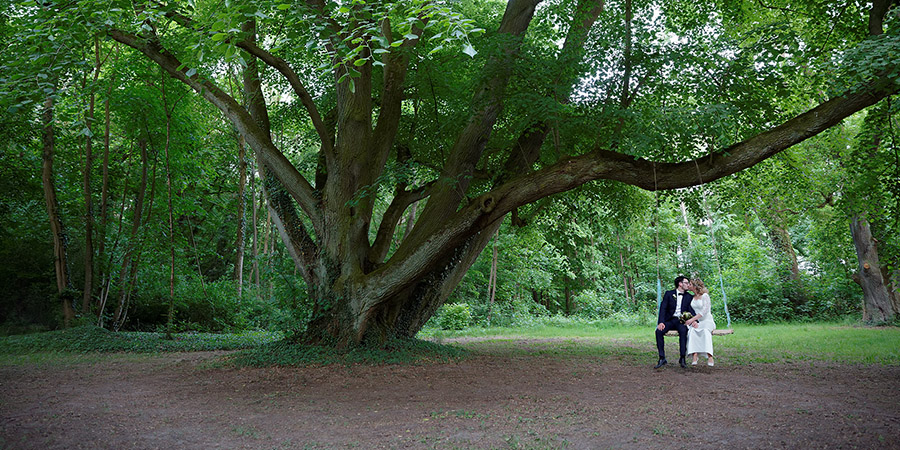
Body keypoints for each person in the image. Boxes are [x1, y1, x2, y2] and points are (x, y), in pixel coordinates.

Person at [655, 276, 697, 369]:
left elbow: (691, 310)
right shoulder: (669, 294)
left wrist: (694, 320)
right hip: (669, 320)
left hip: (681, 321)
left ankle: (682, 358)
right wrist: (661, 322)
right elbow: (663, 309)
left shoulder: (689, 297)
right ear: (680, 284)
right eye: (686, 283)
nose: (688, 285)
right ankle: (662, 358)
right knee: (658, 332)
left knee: (683, 331)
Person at [686, 278, 716, 366]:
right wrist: (693, 321)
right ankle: (694, 355)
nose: (688, 286)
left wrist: (692, 319)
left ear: (695, 286)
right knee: (692, 331)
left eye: (690, 284)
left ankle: (710, 356)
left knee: (705, 331)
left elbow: (704, 311)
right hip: (697, 321)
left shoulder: (705, 296)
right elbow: (690, 310)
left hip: (707, 320)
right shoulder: (692, 297)